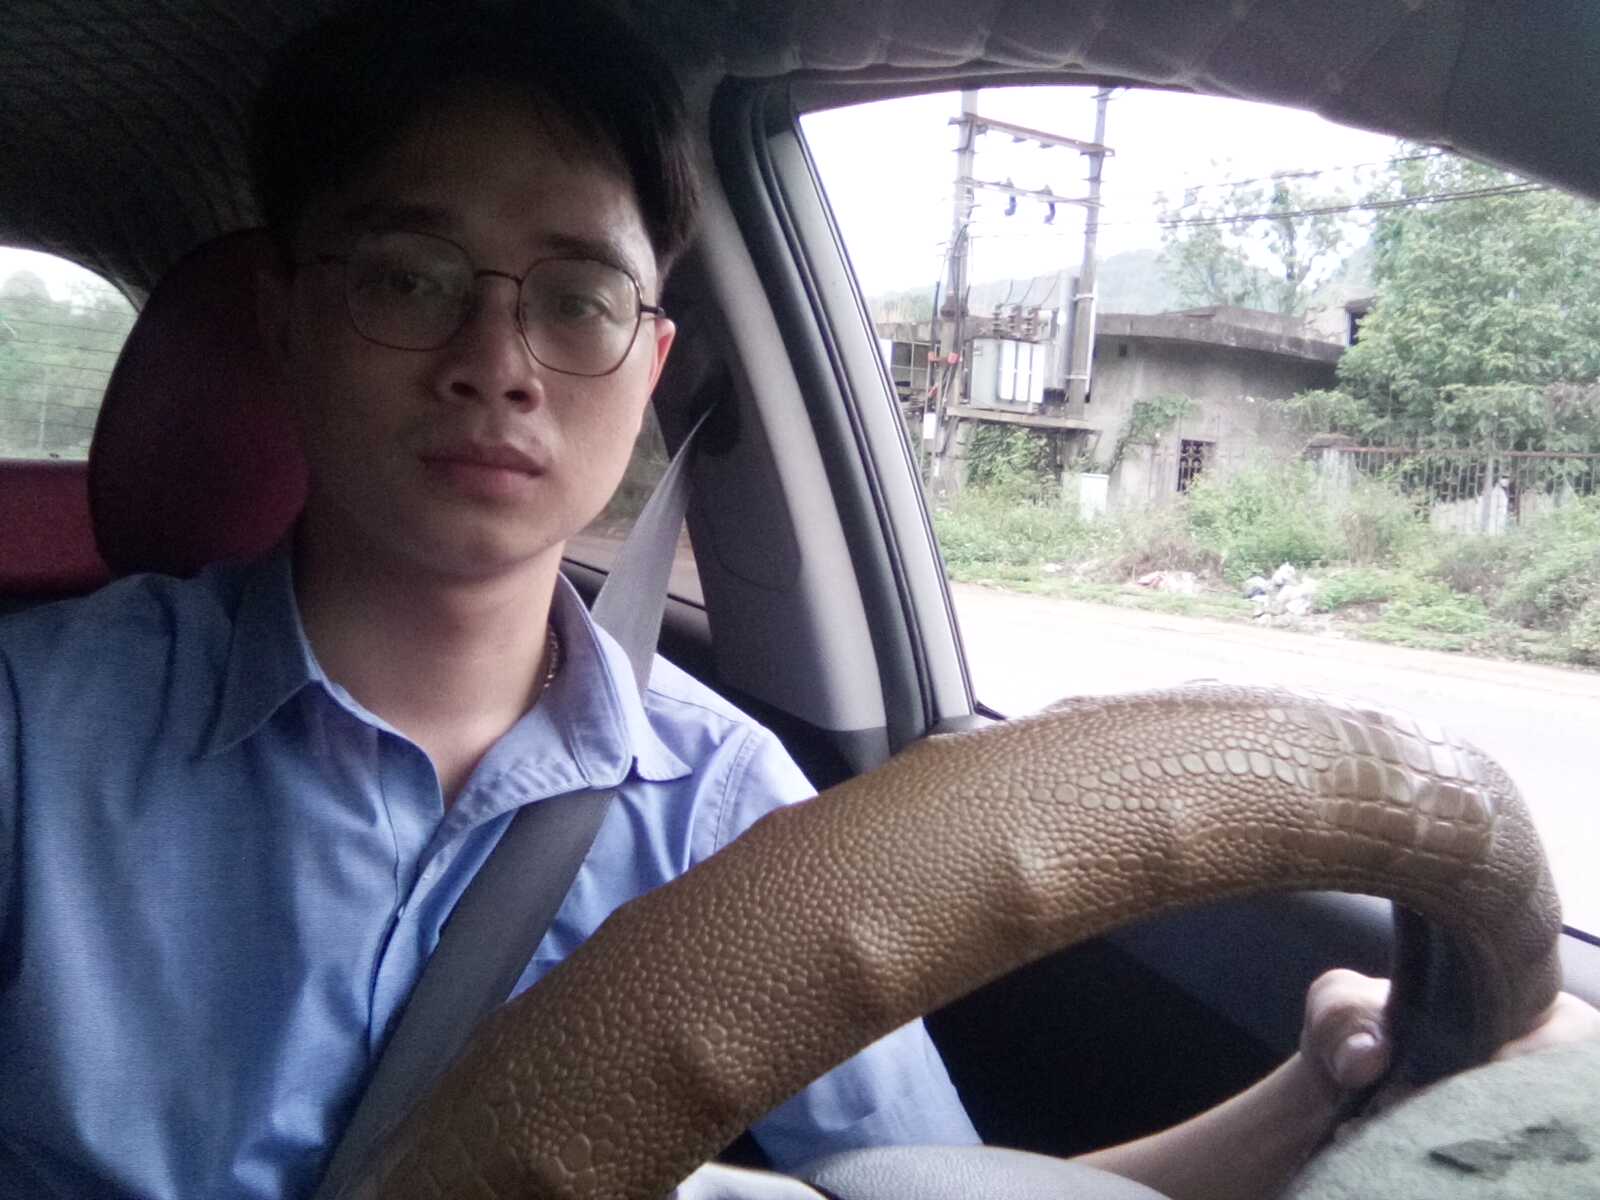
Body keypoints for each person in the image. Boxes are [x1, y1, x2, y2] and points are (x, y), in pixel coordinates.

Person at [0, 4, 1593, 1200]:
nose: (498, 362)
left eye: (577, 299)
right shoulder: (33, 736)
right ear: (285, 322)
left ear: (649, 366)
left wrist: (1324, 1092)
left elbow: (933, 1195)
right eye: (409, 278)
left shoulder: (726, 809)